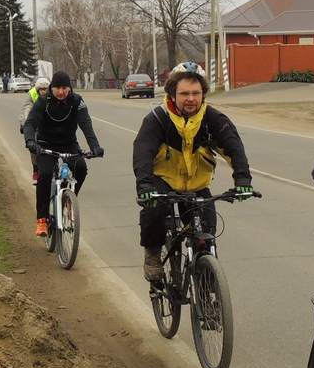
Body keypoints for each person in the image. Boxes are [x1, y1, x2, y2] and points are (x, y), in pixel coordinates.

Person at [133, 61, 254, 281]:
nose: (191, 98)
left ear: (203, 94)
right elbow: (143, 153)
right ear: (172, 95)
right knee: (154, 211)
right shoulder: (158, 119)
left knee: (206, 236)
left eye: (196, 93)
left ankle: (207, 289)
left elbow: (234, 149)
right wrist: (145, 186)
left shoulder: (213, 119)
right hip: (164, 180)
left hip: (197, 184)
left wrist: (243, 181)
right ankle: (152, 254)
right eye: (185, 93)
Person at [23, 71, 104, 238]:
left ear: (70, 88)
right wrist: (31, 141)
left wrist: (95, 146)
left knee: (81, 169)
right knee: (45, 175)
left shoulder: (77, 101)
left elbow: (85, 123)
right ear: (52, 88)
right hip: (45, 144)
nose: (61, 92)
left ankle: (68, 200)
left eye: (64, 88)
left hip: (68, 143)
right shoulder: (43, 101)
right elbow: (30, 123)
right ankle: (42, 220)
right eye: (57, 88)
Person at [18, 76, 51, 186]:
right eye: (42, 90)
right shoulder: (32, 95)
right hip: (36, 123)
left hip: (50, 124)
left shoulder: (54, 95)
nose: (44, 92)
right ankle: (36, 171)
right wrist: (24, 124)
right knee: (34, 146)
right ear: (37, 90)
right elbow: (26, 109)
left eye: (46, 89)